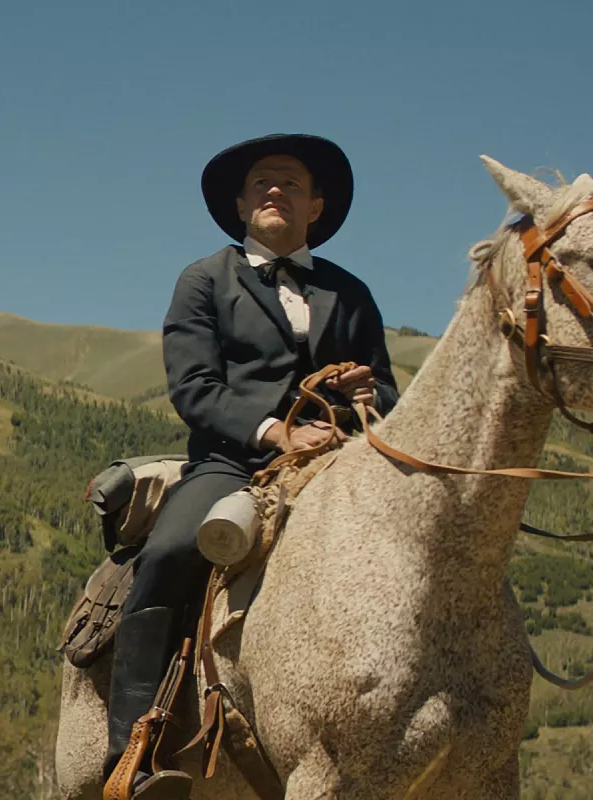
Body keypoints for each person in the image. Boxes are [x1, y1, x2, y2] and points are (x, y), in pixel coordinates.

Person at [103, 134, 400, 798]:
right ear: (240, 204)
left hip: (340, 461)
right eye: (262, 182)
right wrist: (277, 430)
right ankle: (134, 753)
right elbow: (195, 388)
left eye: (291, 183)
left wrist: (362, 397)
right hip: (233, 464)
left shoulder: (351, 293)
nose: (275, 190)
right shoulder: (204, 280)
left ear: (315, 207)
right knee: (170, 552)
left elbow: (385, 390)